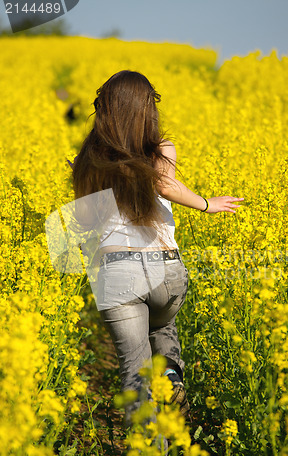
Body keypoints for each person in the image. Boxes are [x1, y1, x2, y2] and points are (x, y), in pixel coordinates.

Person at [69, 70, 244, 427]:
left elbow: (85, 222)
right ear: (148, 109)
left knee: (136, 377)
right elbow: (165, 184)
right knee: (162, 323)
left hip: (117, 274)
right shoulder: (161, 148)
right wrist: (206, 204)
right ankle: (170, 376)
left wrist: (82, 179)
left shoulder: (91, 156)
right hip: (165, 271)